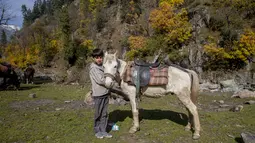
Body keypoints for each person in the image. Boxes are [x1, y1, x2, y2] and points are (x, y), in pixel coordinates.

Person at [89, 48, 113, 139]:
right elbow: (100, 80)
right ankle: (97, 131)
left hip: (105, 93)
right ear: (93, 58)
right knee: (98, 113)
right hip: (98, 94)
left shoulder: (103, 66)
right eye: (97, 57)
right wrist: (110, 82)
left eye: (100, 57)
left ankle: (103, 130)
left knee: (104, 113)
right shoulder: (93, 68)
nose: (99, 59)